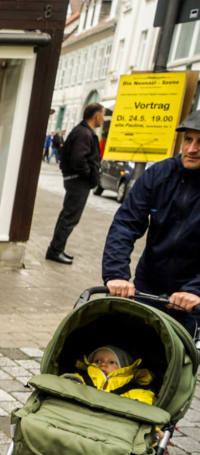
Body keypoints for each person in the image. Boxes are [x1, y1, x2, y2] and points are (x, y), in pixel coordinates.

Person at [102, 108, 200, 338]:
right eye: (188, 139)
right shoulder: (159, 174)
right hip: (149, 285)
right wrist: (116, 274)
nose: (192, 149)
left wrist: (196, 290)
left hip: (192, 296)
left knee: (181, 361)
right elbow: (126, 223)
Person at [47, 103, 104, 264]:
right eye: (103, 115)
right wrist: (88, 174)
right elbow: (79, 159)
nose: (103, 119)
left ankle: (56, 248)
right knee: (70, 217)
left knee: (68, 216)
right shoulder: (84, 133)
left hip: (77, 180)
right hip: (78, 182)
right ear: (96, 116)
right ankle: (55, 250)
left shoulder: (82, 131)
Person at [60, 345, 155, 404]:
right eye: (98, 361)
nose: (103, 364)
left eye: (112, 362)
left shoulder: (131, 389)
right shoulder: (84, 379)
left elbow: (145, 401)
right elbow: (63, 382)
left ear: (124, 368)